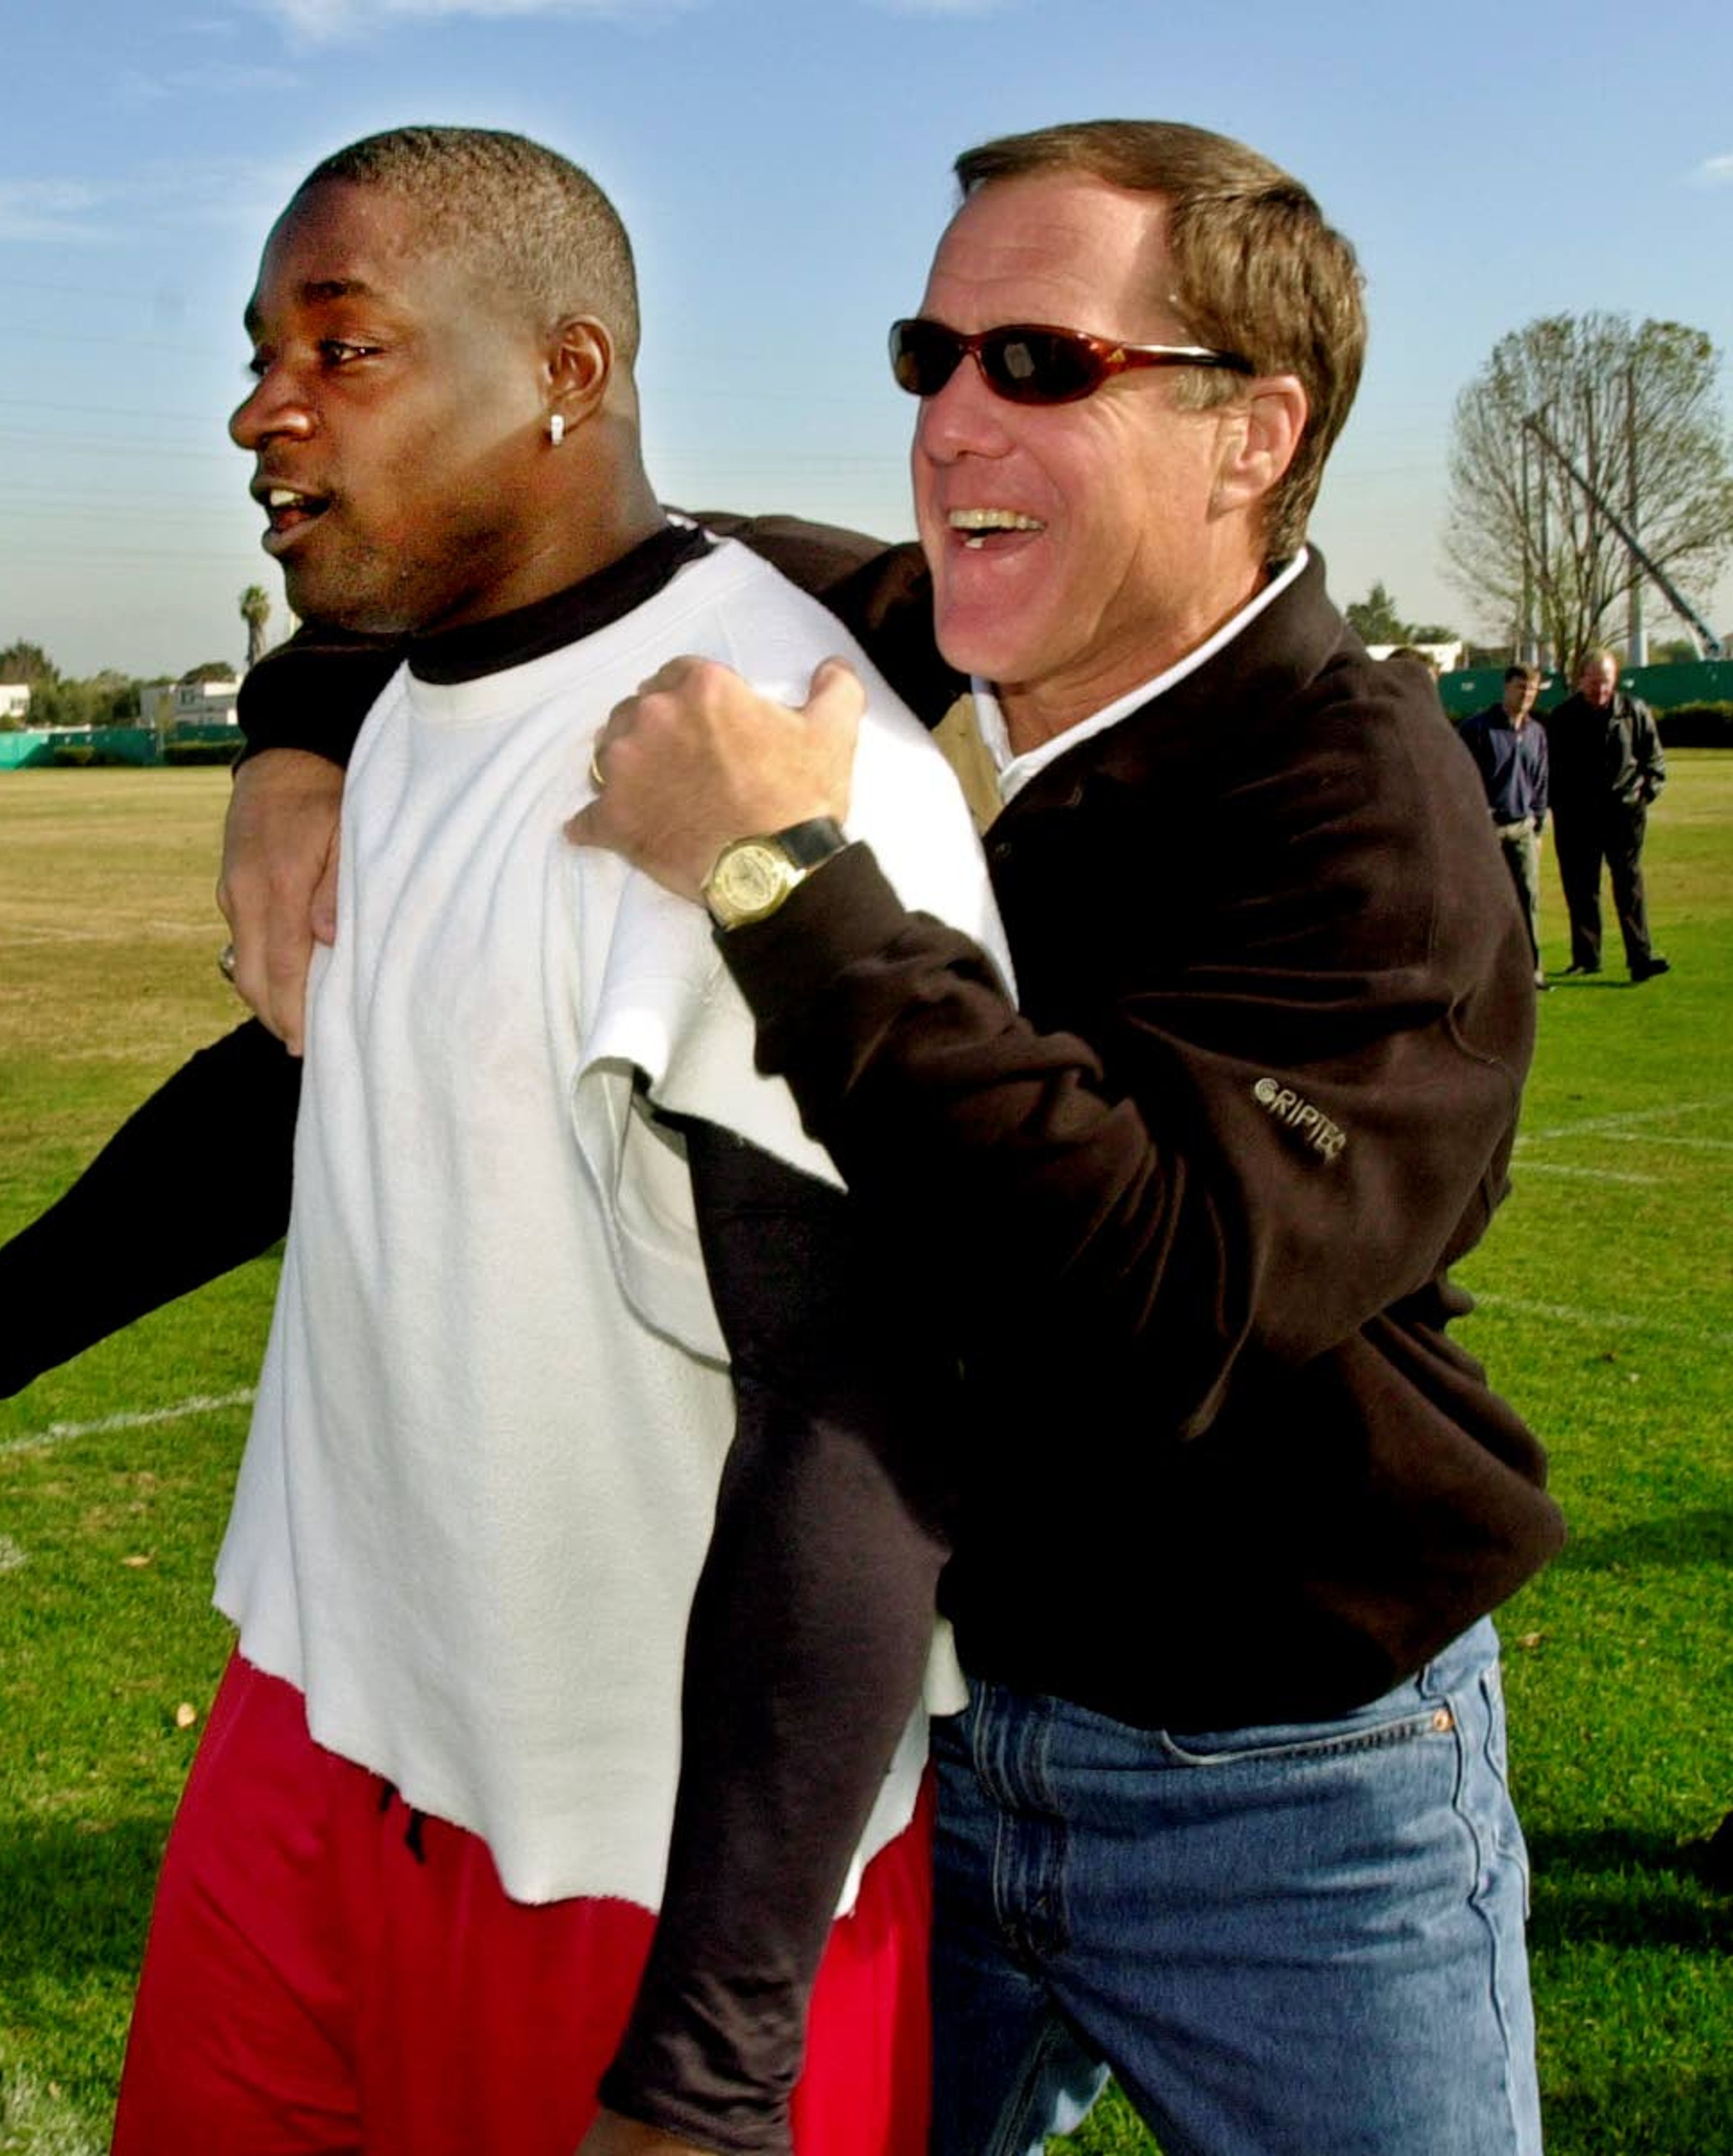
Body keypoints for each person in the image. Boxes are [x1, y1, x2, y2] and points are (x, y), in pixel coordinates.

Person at [0, 126, 1011, 2156]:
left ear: (566, 373)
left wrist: (710, 2066)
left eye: (341, 352)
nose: (263, 411)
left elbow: (860, 1428)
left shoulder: (771, 765)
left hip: (625, 1845)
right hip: (321, 1718)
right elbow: (323, 1076)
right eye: (262, 352)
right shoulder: (418, 693)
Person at [563, 120, 1562, 2154]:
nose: (946, 422)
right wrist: (301, 747)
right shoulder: (915, 642)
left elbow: (1152, 1286)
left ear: (1252, 432)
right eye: (927, 354)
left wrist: (778, 880)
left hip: (1286, 1798)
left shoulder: (1369, 817)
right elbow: (538, 528)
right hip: (925, 1743)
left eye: (1037, 365)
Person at [1545, 648, 1669, 981]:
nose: (1601, 690)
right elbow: (1551, 771)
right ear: (1582, 679)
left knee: (1629, 885)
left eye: (1607, 683)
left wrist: (1644, 796)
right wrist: (1558, 806)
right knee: (1581, 888)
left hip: (1624, 814)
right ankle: (1587, 957)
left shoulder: (1635, 712)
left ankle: (1640, 958)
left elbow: (1654, 762)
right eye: (1595, 682)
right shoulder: (1562, 718)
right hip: (1577, 817)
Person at [1457, 663, 1551, 988]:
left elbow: (1540, 782)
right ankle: (1480, 971)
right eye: (1520, 687)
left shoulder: (1537, 733)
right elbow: (1461, 779)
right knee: (1484, 900)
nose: (1526, 695)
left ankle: (1533, 970)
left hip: (1523, 826)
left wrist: (1538, 825)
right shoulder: (1478, 729)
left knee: (1528, 898)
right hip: (1488, 829)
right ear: (1506, 688)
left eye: (1532, 689)